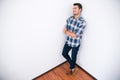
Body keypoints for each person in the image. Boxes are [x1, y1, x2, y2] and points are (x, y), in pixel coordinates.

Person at [62, 3, 86, 75]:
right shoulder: (70, 18)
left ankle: (72, 68)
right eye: (73, 8)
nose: (73, 10)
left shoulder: (83, 22)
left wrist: (67, 32)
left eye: (75, 8)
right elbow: (64, 30)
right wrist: (68, 32)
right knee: (64, 53)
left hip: (75, 43)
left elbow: (75, 35)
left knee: (73, 57)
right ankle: (73, 67)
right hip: (68, 41)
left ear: (80, 10)